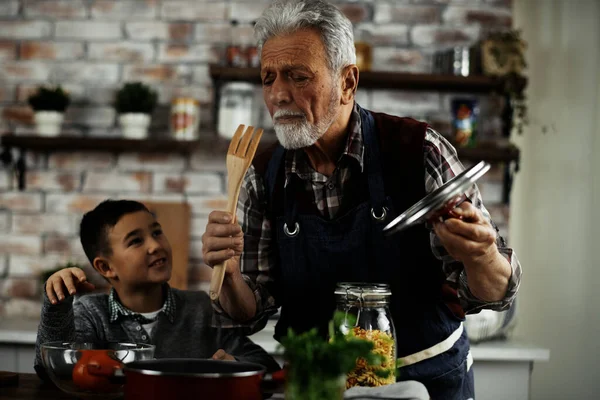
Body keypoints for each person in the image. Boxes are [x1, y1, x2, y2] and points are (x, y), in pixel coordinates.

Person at [201, 1, 522, 398]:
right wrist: (230, 275)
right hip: (316, 386)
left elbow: (495, 294)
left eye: (298, 77)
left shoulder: (419, 150)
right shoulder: (261, 173)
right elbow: (248, 314)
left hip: (426, 383)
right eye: (268, 79)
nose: (279, 94)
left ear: (348, 82)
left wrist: (481, 256)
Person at [34, 199, 280, 381]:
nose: (155, 245)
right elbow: (53, 371)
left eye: (157, 232)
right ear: (106, 267)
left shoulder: (200, 307)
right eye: (136, 241)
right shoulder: (90, 312)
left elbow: (268, 367)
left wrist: (236, 366)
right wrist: (57, 303)